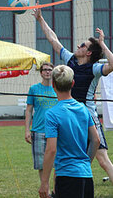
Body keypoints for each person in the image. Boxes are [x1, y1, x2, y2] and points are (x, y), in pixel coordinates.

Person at [33, 4, 113, 183]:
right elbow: (53, 40)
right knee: (60, 156)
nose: (78, 45)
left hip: (87, 117)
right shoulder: (70, 59)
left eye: (82, 45)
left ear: (89, 52)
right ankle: (57, 190)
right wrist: (40, 19)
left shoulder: (94, 68)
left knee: (102, 160)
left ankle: (80, 175)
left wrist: (102, 44)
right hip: (67, 116)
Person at [39, 65, 100, 198]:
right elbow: (96, 140)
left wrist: (44, 183)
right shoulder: (83, 108)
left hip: (67, 177)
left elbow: (51, 150)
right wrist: (85, 163)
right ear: (72, 83)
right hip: (86, 176)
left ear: (53, 85)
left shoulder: (52, 114)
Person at [25, 62, 57, 196]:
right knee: (41, 164)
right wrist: (27, 129)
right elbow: (29, 110)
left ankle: (56, 190)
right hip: (38, 130)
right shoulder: (34, 89)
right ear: (41, 73)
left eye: (50, 70)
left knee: (57, 163)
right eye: (45, 70)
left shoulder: (58, 89)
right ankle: (46, 190)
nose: (48, 72)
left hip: (55, 131)